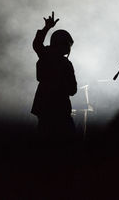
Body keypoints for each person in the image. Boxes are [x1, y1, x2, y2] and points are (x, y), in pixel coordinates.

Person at [31, 11, 77, 143]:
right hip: (60, 108)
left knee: (44, 140)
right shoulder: (66, 64)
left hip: (43, 106)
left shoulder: (45, 54)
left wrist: (46, 28)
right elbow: (72, 90)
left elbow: (37, 44)